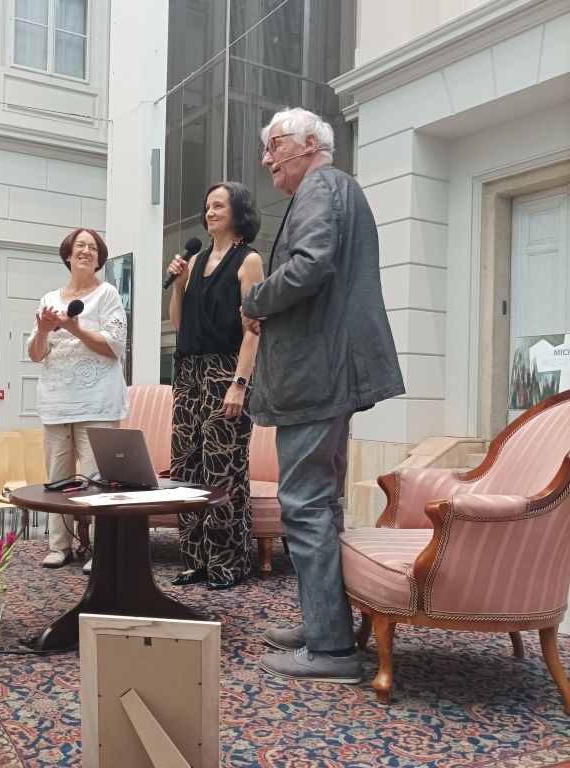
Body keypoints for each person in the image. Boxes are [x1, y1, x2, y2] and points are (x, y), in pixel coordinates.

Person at [241, 108, 405, 681]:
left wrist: (256, 300)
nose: (267, 158)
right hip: (328, 372)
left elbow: (310, 265)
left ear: (308, 143)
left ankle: (332, 650)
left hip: (316, 374)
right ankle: (324, 624)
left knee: (306, 505)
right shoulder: (338, 188)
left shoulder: (319, 187)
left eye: (274, 145)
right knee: (321, 504)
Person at [166, 182, 265, 590]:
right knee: (186, 470)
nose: (209, 212)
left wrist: (240, 384)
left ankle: (228, 563)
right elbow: (178, 322)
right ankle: (195, 561)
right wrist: (178, 284)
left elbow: (254, 331)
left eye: (218, 206)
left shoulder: (249, 261)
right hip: (188, 372)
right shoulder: (195, 259)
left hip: (226, 371)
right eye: (207, 206)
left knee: (223, 471)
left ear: (238, 212)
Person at [27, 228, 129, 572]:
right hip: (56, 403)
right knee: (58, 480)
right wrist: (43, 331)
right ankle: (60, 546)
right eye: (79, 246)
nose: (86, 251)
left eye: (93, 247)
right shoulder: (49, 297)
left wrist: (74, 329)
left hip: (97, 402)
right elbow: (36, 354)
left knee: (99, 482)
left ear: (99, 259)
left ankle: (102, 550)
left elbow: (115, 346)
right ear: (68, 255)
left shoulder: (107, 293)